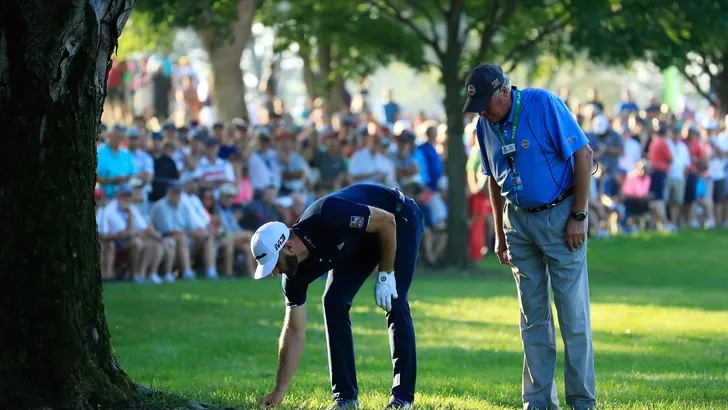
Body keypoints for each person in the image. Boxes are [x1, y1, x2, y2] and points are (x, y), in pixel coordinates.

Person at [463, 64, 596, 410]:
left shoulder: (543, 104)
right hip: (517, 223)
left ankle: (582, 401)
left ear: (503, 91)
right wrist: (499, 233)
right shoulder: (484, 125)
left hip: (560, 217)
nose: (482, 113)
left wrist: (578, 216)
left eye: (485, 105)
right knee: (532, 317)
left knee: (572, 316)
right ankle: (537, 402)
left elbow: (583, 154)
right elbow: (493, 179)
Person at [255, 183, 424, 410]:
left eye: (274, 264)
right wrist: (279, 390)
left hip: (398, 217)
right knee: (333, 302)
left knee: (395, 298)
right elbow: (294, 331)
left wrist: (386, 274)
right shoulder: (293, 277)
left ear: (289, 248)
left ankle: (403, 398)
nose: (274, 272)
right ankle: (345, 397)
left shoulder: (328, 215)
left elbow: (386, 221)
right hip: (360, 238)